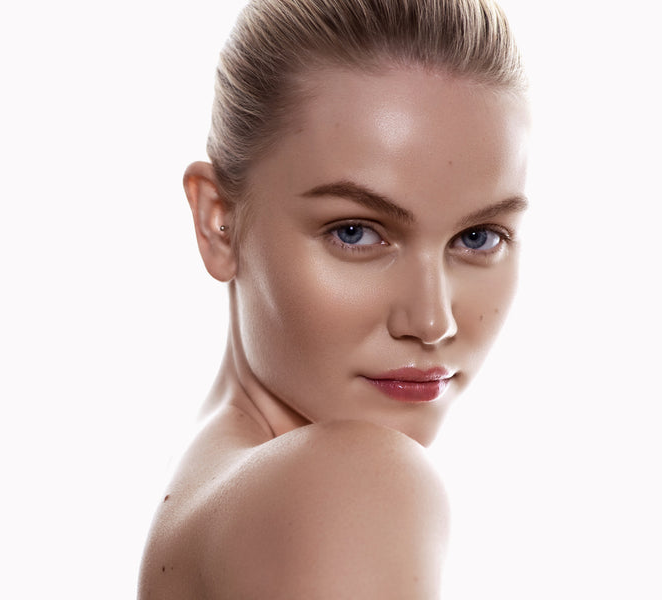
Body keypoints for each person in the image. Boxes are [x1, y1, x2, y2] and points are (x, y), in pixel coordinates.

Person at [137, 0, 528, 597]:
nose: (432, 321)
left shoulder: (210, 492)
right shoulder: (349, 484)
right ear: (218, 222)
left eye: (478, 238)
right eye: (355, 232)